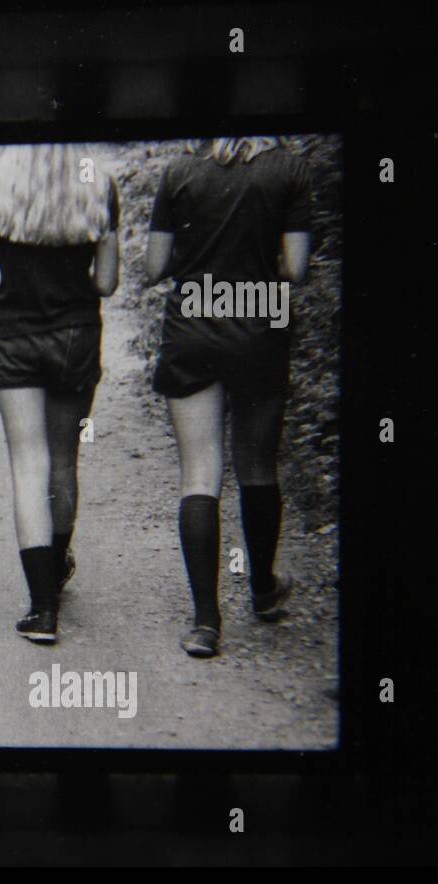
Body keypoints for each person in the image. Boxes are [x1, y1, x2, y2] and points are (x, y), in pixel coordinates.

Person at [146, 137, 311, 658]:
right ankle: (262, 590)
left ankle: (205, 623)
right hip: (262, 321)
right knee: (258, 465)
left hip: (193, 321)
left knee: (199, 471)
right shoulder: (290, 169)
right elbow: (297, 267)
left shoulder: (180, 171)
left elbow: (154, 266)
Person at [0, 144, 120, 643]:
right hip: (75, 332)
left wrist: (8, 295)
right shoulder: (100, 184)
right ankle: (58, 565)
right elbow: (108, 281)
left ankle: (42, 609)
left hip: (13, 334)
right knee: (63, 459)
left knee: (27, 465)